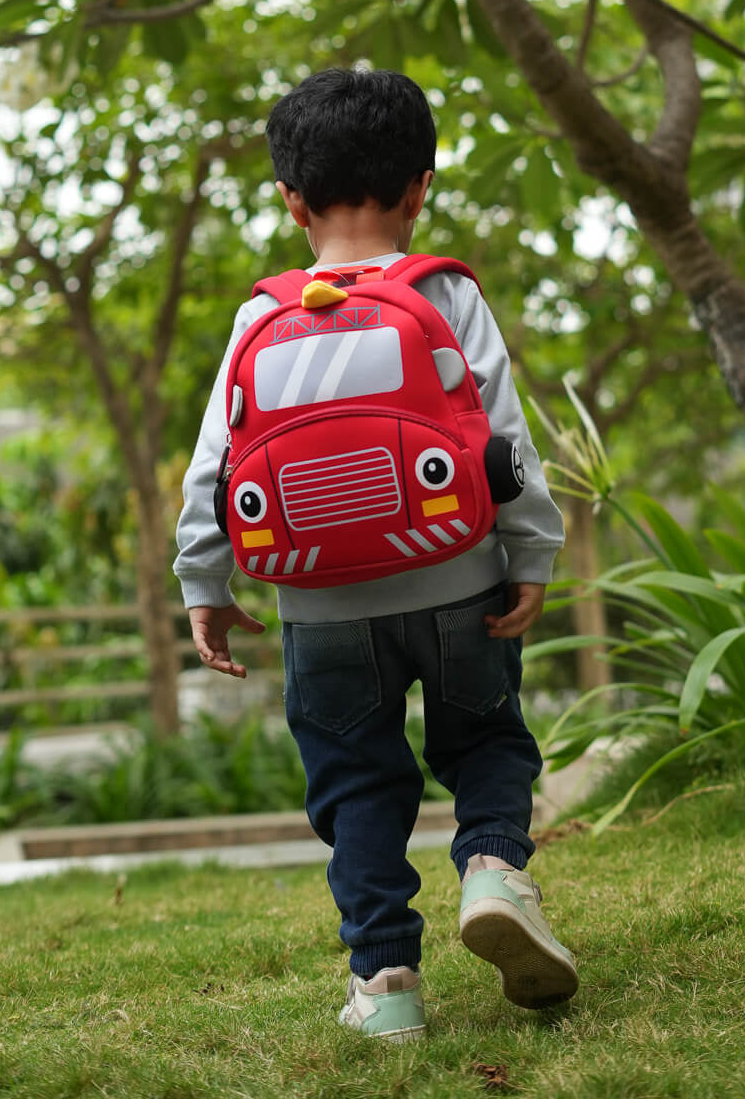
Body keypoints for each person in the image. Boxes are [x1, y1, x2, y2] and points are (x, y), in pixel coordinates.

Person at [173, 67, 576, 1042]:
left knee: (356, 783)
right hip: (458, 577)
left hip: (319, 608)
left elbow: (215, 464)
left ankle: (387, 983)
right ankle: (492, 872)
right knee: (484, 742)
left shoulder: (262, 314)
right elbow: (502, 442)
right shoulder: (443, 294)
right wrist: (532, 555)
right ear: (420, 187)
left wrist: (205, 582)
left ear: (291, 199)